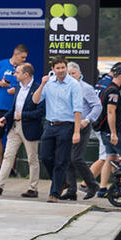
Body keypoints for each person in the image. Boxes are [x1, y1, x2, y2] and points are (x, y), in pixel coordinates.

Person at [0, 63, 43, 198]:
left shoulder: (38, 89)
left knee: (32, 158)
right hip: (15, 126)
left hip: (30, 128)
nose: (14, 74)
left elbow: (41, 112)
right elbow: (14, 108)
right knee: (8, 155)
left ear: (26, 74)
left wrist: (23, 115)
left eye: (17, 72)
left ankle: (33, 188)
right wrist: (6, 117)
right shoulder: (18, 88)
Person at [33, 56, 84, 202]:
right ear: (53, 69)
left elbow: (78, 109)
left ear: (66, 68)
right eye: (58, 68)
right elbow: (35, 100)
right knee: (45, 157)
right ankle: (61, 182)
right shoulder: (49, 83)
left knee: (61, 161)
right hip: (50, 125)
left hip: (67, 126)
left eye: (63, 67)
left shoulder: (74, 84)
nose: (61, 70)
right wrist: (42, 84)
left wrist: (76, 132)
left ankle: (54, 194)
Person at [62, 62, 101, 200]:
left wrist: (88, 119)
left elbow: (97, 106)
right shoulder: (65, 87)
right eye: (69, 74)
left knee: (76, 158)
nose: (71, 76)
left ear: (79, 74)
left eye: (73, 73)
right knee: (68, 158)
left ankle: (92, 184)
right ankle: (71, 191)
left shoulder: (86, 88)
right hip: (68, 125)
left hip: (82, 125)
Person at [94, 63, 121, 196]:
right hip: (113, 131)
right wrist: (114, 133)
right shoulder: (113, 91)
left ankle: (103, 188)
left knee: (110, 157)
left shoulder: (110, 88)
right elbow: (111, 112)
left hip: (107, 131)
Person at [0, 44, 28, 169]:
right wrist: (0, 83)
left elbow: (29, 85)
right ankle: (0, 165)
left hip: (16, 109)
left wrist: (16, 89)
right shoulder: (1, 64)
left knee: (14, 139)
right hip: (0, 107)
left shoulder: (25, 68)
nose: (24, 60)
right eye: (22, 57)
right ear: (15, 54)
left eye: (25, 58)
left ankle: (11, 168)